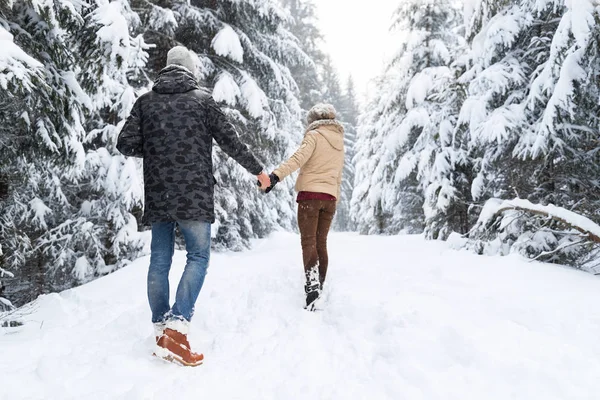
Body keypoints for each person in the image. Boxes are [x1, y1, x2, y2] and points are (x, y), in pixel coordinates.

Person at [117, 46, 271, 366]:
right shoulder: (202, 101)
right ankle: (176, 327)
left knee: (160, 259)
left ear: (167, 68)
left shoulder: (146, 102)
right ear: (190, 70)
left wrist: (160, 149)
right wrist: (259, 171)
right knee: (198, 256)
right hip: (195, 194)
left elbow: (126, 143)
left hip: (159, 193)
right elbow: (231, 140)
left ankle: (162, 328)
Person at [263, 104, 345, 310]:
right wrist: (335, 197)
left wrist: (275, 176)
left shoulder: (315, 135)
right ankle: (320, 285)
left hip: (310, 197)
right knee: (321, 242)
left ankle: (312, 285)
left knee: (308, 241)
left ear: (314, 120)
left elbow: (297, 159)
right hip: (330, 198)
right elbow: (338, 175)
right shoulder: (339, 141)